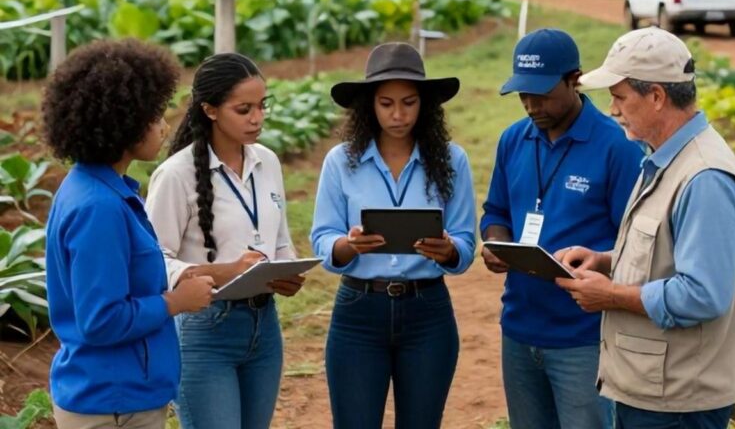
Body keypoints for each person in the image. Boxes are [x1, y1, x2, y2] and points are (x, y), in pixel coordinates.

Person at [556, 26, 735, 429]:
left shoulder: (705, 178)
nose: (612, 109)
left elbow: (702, 294)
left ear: (657, 97)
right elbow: (668, 256)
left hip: (678, 403)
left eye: (620, 96)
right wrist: (607, 261)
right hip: (658, 393)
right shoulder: (665, 159)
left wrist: (611, 295)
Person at [43, 39, 215, 429]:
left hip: (115, 394)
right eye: (155, 115)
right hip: (112, 404)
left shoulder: (95, 189)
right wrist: (175, 301)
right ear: (123, 121)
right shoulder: (98, 208)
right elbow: (101, 320)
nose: (165, 125)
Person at [480, 28, 645, 429]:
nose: (531, 105)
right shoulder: (513, 140)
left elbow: (639, 241)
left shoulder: (617, 146)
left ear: (575, 80)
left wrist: (600, 265)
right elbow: (496, 211)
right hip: (519, 328)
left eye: (542, 94)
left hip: (583, 337)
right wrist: (497, 245)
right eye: (522, 94)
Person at [310, 42, 476, 429]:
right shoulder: (340, 162)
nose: (399, 115)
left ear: (426, 105)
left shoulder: (453, 160)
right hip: (358, 313)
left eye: (409, 102)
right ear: (369, 103)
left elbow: (467, 242)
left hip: (428, 313)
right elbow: (322, 238)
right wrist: (348, 245)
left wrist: (449, 250)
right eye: (386, 103)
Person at [145, 52, 306, 429]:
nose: (258, 118)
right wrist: (226, 272)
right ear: (210, 110)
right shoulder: (175, 175)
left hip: (264, 328)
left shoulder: (267, 162)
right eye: (244, 109)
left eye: (263, 106)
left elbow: (279, 240)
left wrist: (288, 270)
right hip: (205, 331)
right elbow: (154, 263)